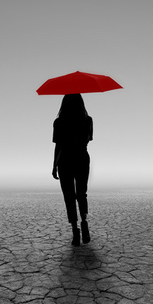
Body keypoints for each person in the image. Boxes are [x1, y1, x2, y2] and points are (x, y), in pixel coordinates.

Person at [51, 93, 93, 246]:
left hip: (65, 161)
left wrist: (54, 165)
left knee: (69, 196)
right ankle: (84, 224)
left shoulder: (59, 122)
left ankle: (75, 232)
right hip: (82, 158)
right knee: (81, 193)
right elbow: (88, 140)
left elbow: (58, 146)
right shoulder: (87, 120)